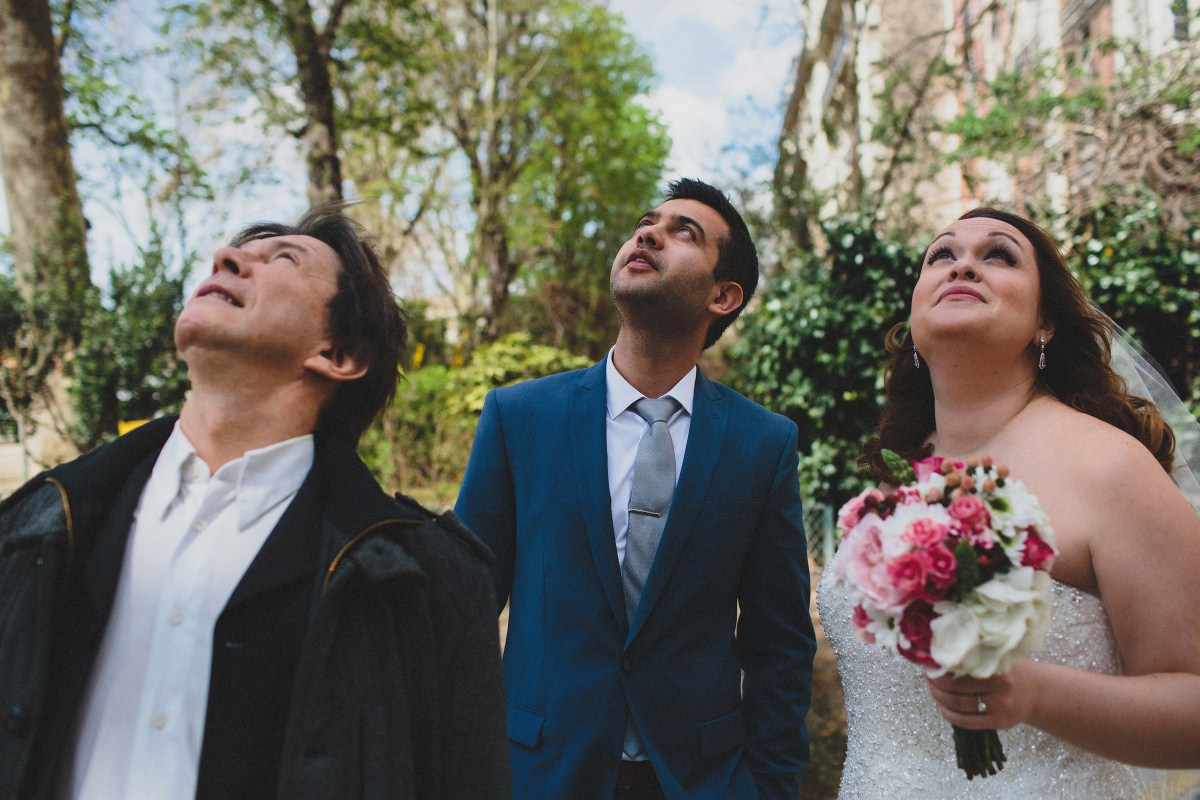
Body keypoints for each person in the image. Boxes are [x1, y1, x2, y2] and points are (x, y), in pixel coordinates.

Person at [0, 205, 510, 800]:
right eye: (234, 253)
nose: (227, 258)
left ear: (338, 355)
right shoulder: (33, 528)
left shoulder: (432, 587)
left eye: (283, 260)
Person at [817, 207, 1200, 798]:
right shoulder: (889, 490)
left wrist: (1033, 693)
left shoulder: (1111, 468)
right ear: (917, 314)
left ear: (1044, 321)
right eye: (941, 255)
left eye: (998, 255)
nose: (963, 264)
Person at [454, 178, 816, 800]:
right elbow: (460, 612)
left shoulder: (764, 445)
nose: (648, 233)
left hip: (699, 779)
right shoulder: (519, 418)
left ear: (723, 295)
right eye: (647, 222)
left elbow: (779, 642)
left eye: (684, 232)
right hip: (537, 773)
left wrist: (771, 787)